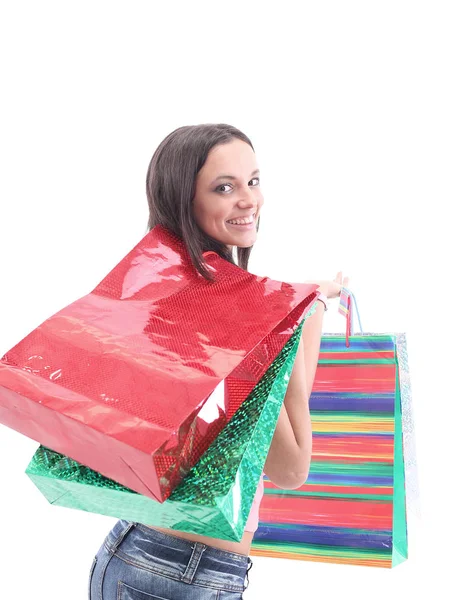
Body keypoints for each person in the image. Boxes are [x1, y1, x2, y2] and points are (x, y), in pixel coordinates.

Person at [88, 123, 349, 599]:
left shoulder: (164, 295)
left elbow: (266, 419)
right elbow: (291, 468)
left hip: (139, 551)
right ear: (183, 200)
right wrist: (293, 322)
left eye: (253, 180)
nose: (249, 199)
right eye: (224, 187)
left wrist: (297, 314)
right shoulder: (231, 312)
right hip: (179, 576)